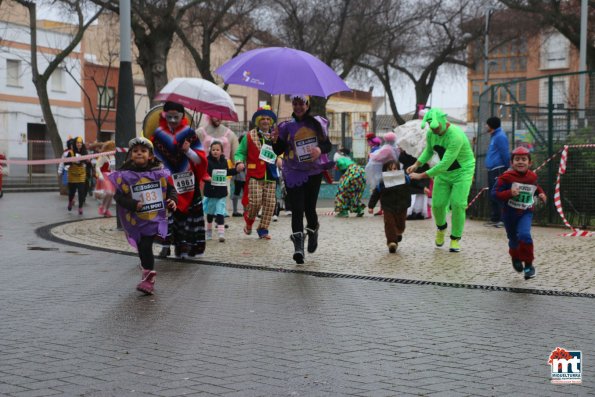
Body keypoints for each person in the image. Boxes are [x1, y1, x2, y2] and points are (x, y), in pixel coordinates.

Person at [109, 137, 177, 295]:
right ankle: (146, 271)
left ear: (151, 156)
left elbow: (171, 189)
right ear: (130, 154)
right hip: (135, 220)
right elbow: (118, 197)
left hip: (153, 219)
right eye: (135, 151)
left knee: (146, 245)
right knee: (141, 247)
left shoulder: (159, 173)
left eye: (143, 151)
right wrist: (133, 204)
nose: (139, 153)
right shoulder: (124, 175)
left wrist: (172, 200)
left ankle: (149, 278)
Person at [272, 95, 334, 264]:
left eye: (301, 103)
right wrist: (275, 140)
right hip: (293, 170)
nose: (298, 107)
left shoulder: (316, 123)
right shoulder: (286, 126)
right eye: (295, 103)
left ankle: (313, 230)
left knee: (309, 208)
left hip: (313, 171)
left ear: (307, 105)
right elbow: (278, 150)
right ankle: (298, 247)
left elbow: (328, 145)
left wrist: (319, 150)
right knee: (297, 208)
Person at [407, 108, 475, 253]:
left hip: (462, 172)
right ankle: (441, 228)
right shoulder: (432, 133)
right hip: (444, 173)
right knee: (437, 205)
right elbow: (429, 151)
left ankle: (455, 239)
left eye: (437, 127)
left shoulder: (456, 136)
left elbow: (445, 163)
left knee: (458, 204)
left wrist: (421, 175)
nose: (435, 130)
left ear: (444, 122)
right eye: (432, 128)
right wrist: (416, 164)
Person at [149, 101, 207, 258]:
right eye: (170, 117)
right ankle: (165, 245)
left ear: (182, 116)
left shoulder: (190, 134)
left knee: (188, 216)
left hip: (187, 183)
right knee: (167, 214)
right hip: (166, 182)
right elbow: (153, 157)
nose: (173, 120)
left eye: (176, 117)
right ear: (164, 115)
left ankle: (185, 247)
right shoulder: (159, 135)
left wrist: (188, 150)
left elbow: (199, 160)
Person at [491, 146, 546, 280]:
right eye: (517, 159)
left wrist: (541, 193)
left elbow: (535, 186)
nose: (520, 162)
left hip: (526, 212)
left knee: (524, 235)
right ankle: (515, 257)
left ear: (530, 163)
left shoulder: (532, 176)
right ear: (512, 162)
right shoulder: (506, 177)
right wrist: (510, 193)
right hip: (509, 214)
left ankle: (528, 265)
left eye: (524, 159)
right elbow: (494, 194)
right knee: (513, 239)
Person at [235, 106, 280, 239]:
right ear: (258, 121)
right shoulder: (249, 136)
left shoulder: (275, 136)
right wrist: (239, 162)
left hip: (271, 174)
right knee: (254, 202)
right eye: (263, 119)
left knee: (270, 204)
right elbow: (240, 152)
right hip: (255, 174)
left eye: (268, 119)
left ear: (271, 121)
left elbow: (281, 151)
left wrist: (280, 159)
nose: (265, 121)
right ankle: (249, 223)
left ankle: (263, 229)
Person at [197, 115, 240, 216]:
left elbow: (236, 153)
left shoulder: (230, 134)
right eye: (216, 115)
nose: (218, 117)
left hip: (223, 170)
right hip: (206, 170)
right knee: (206, 196)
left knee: (223, 195)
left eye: (221, 115)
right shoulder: (199, 132)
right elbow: (194, 150)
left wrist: (238, 163)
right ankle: (209, 218)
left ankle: (220, 216)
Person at [368, 159, 411, 253]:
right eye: (390, 169)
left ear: (398, 169)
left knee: (401, 224)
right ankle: (392, 242)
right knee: (389, 223)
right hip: (388, 206)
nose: (392, 171)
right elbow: (376, 193)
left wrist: (422, 189)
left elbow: (413, 187)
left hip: (402, 205)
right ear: (385, 170)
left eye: (395, 169)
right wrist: (371, 206)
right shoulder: (382, 182)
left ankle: (398, 233)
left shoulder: (405, 178)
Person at [203, 141, 236, 242]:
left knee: (220, 212)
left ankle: (221, 234)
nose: (215, 152)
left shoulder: (224, 161)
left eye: (217, 150)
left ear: (222, 151)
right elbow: (203, 174)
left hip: (221, 192)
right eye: (213, 150)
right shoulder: (207, 161)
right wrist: (207, 178)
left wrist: (236, 170)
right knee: (210, 213)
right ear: (210, 151)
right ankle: (208, 232)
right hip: (210, 192)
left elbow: (227, 172)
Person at [485, 116, 510, 227]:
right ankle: (495, 218)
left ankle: (504, 219)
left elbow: (505, 153)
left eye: (487, 124)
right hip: (492, 169)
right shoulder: (494, 136)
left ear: (491, 125)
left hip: (498, 169)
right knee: (493, 194)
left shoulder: (500, 136)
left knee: (499, 194)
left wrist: (507, 168)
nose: (486, 126)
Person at [59, 137, 89, 215]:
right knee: (72, 192)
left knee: (81, 192)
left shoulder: (85, 152)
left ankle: (80, 207)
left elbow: (87, 163)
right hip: (72, 175)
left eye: (80, 143)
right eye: (77, 143)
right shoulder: (71, 153)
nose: (79, 144)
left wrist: (87, 161)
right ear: (75, 144)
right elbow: (65, 163)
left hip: (81, 175)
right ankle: (70, 202)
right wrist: (70, 163)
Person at [94, 141, 116, 217]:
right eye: (112, 148)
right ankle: (102, 207)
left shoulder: (113, 156)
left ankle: (106, 209)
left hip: (112, 176)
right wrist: (100, 175)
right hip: (105, 176)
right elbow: (97, 167)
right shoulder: (103, 156)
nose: (113, 150)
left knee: (112, 194)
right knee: (109, 192)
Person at [231, 134, 247, 217]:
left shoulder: (247, 149)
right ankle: (235, 211)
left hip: (246, 175)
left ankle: (245, 210)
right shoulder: (238, 149)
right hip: (238, 175)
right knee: (237, 192)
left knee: (245, 193)